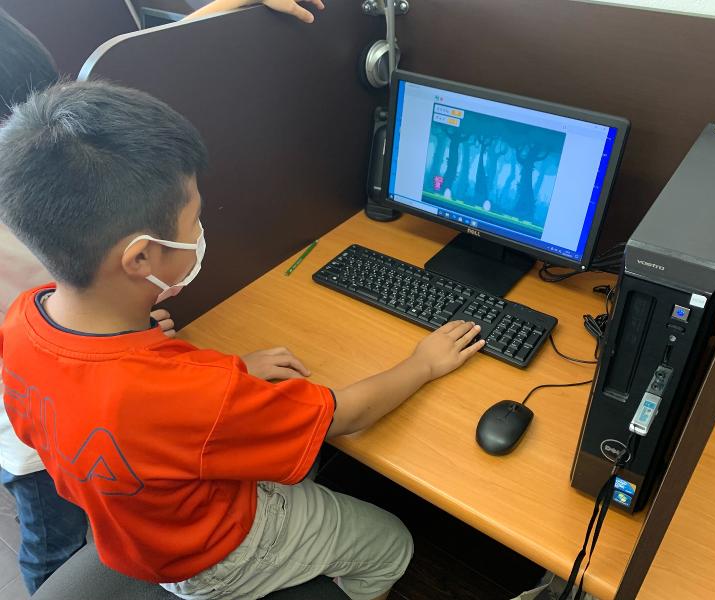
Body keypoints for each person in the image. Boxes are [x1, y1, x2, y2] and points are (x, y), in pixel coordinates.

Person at [0, 79, 484, 600]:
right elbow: (346, 416)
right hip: (212, 553)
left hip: (138, 532)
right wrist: (423, 363)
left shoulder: (23, 322)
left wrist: (227, 375)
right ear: (141, 257)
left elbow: (100, 417)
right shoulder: (192, 394)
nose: (200, 231)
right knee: (391, 543)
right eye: (193, 220)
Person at [0, 0, 325, 594]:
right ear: (140, 257)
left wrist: (229, 8)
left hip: (71, 386)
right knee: (54, 543)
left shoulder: (30, 285)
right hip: (53, 430)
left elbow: (107, 109)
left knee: (118, 509)